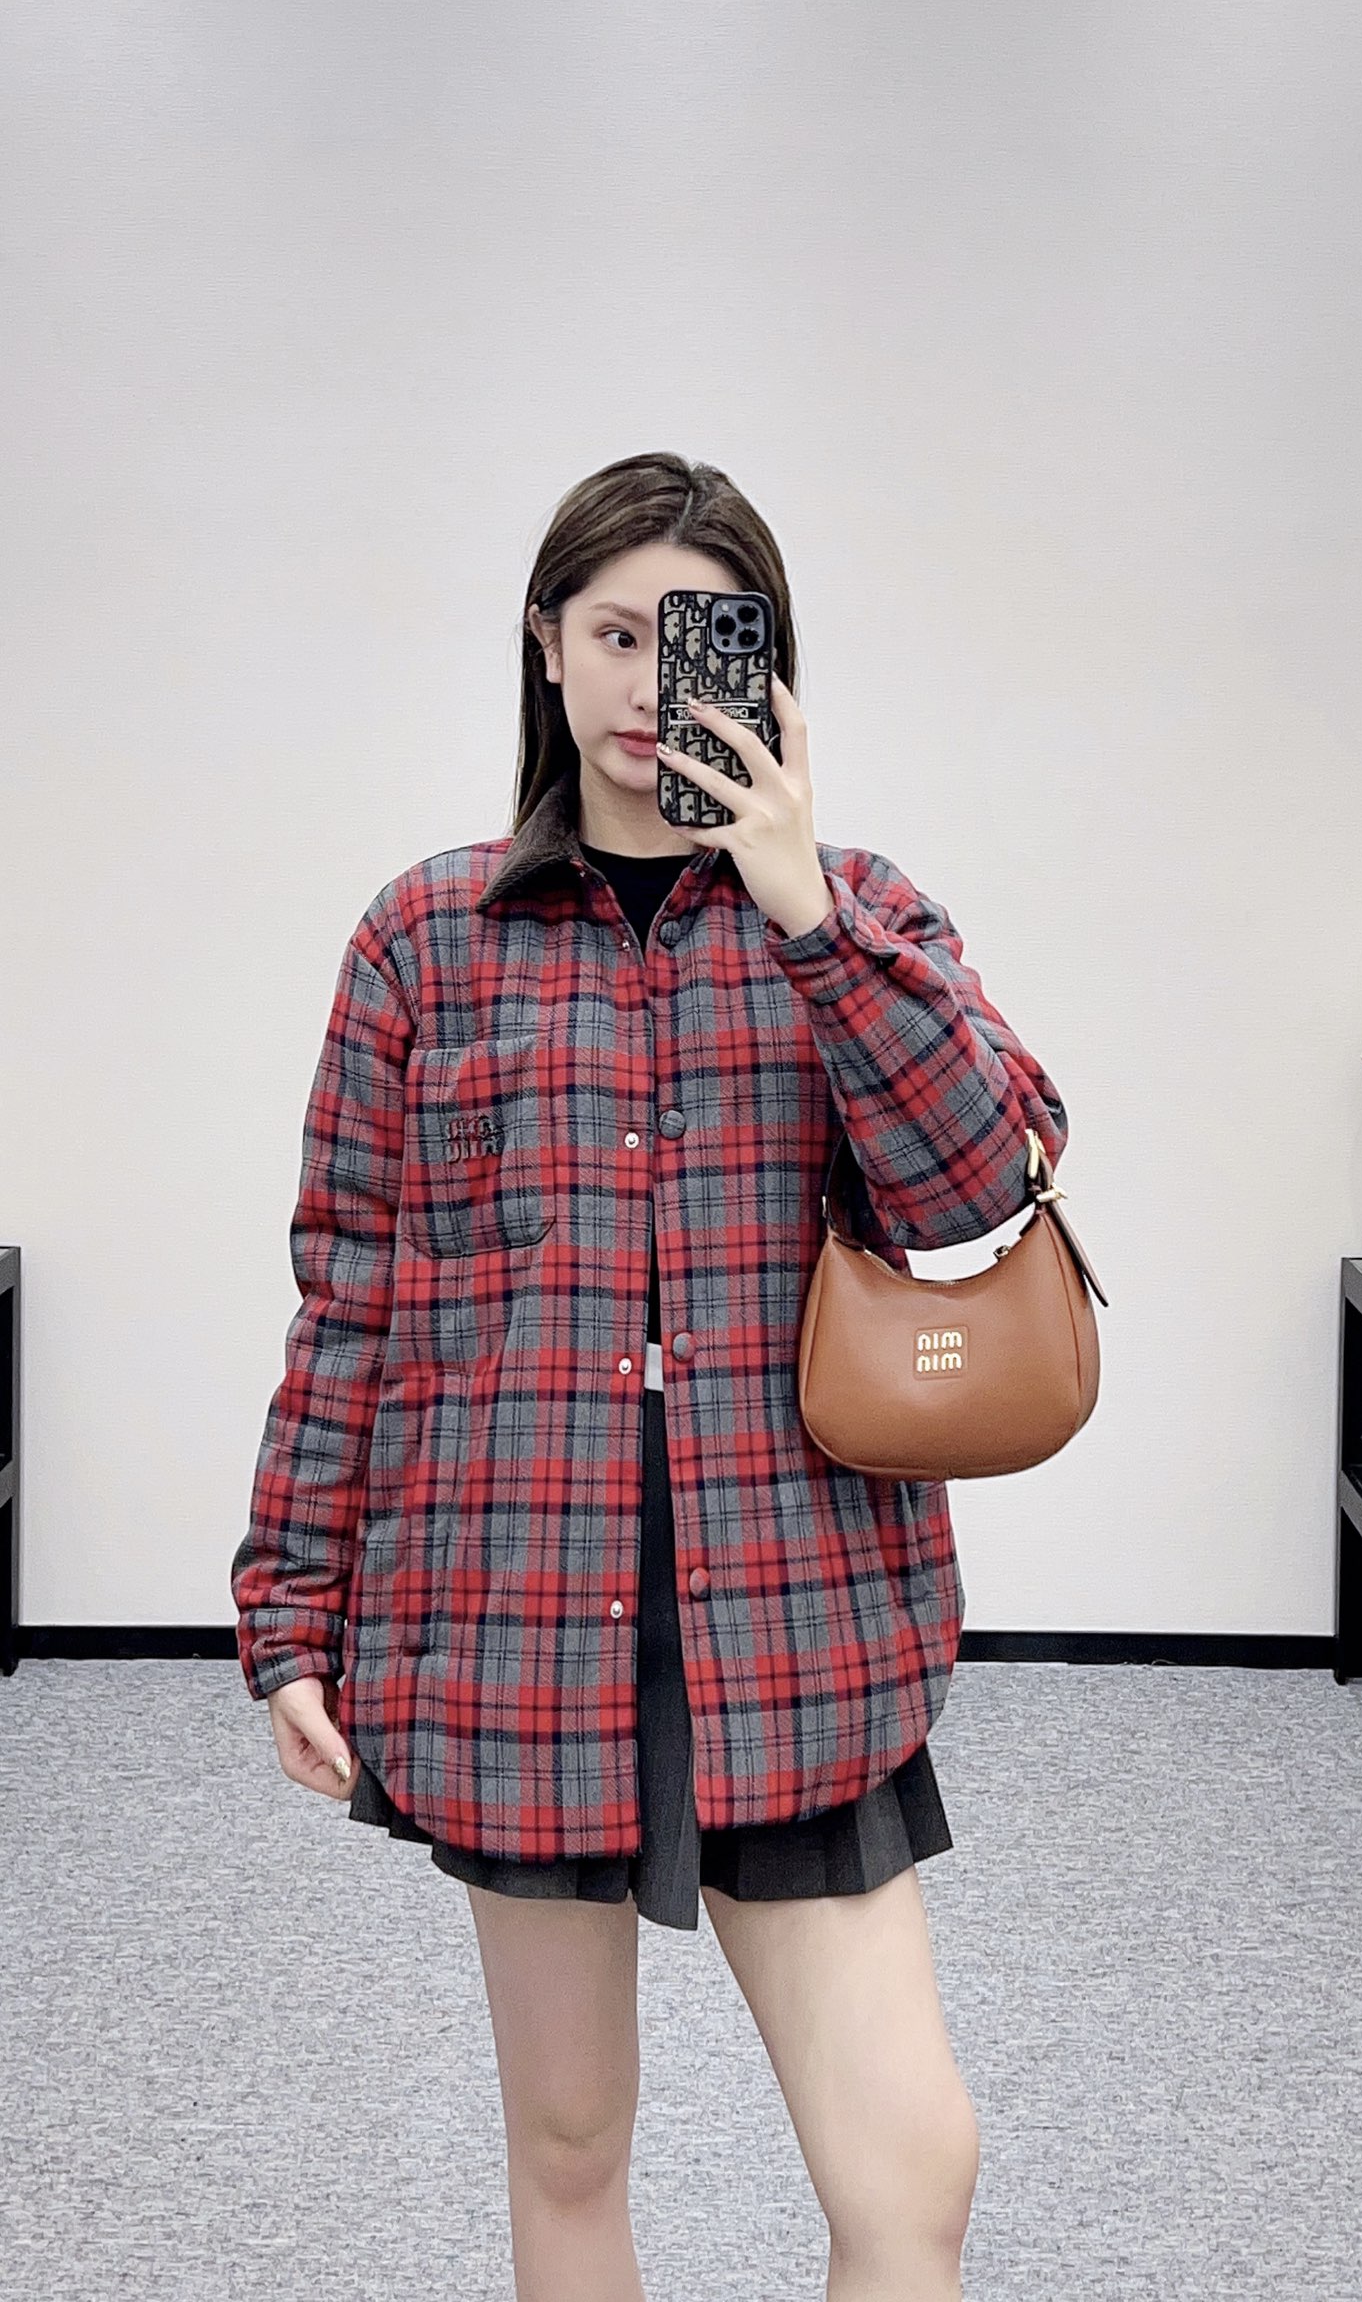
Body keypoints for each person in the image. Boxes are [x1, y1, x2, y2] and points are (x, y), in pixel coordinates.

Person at [231, 449, 1069, 2302]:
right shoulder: (425, 938)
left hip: (799, 1611)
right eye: (613, 633)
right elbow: (350, 1295)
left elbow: (978, 1185)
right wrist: (288, 1607)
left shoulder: (860, 912)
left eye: (695, 639)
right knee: (569, 2142)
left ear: (767, 670)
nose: (644, 685)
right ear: (544, 646)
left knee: (913, 2167)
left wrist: (808, 917)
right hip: (512, 1618)